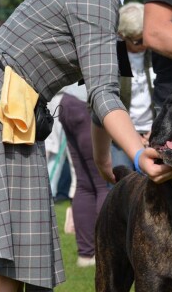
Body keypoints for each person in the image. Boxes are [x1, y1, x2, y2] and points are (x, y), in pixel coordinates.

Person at [0, 0, 172, 291]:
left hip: (8, 105)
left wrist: (103, 161)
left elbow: (101, 88)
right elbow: (103, 93)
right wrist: (139, 154)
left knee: (21, 263)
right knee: (6, 266)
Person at [59, 83, 109, 268]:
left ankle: (86, 255)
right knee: (104, 183)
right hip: (88, 105)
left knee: (84, 183)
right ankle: (106, 252)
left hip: (69, 101)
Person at [111, 2, 155, 170]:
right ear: (122, 35)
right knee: (123, 183)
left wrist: (157, 128)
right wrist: (133, 134)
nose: (144, 44)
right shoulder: (114, 56)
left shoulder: (155, 53)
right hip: (122, 136)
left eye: (147, 37)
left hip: (154, 134)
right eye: (138, 41)